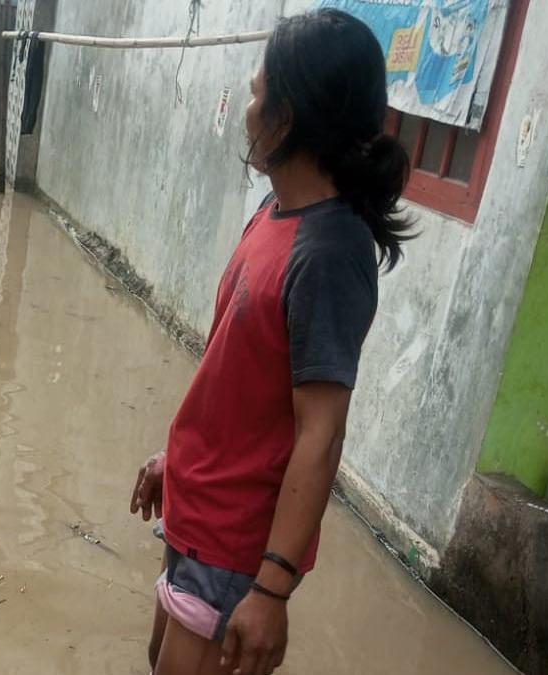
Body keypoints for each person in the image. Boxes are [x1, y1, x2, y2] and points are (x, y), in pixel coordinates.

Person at [129, 9, 413, 675]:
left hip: (237, 545)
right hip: (200, 509)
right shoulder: (274, 209)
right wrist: (179, 456)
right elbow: (239, 369)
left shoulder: (329, 252)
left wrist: (271, 587)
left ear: (291, 117)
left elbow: (321, 431)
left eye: (257, 95)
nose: (246, 109)